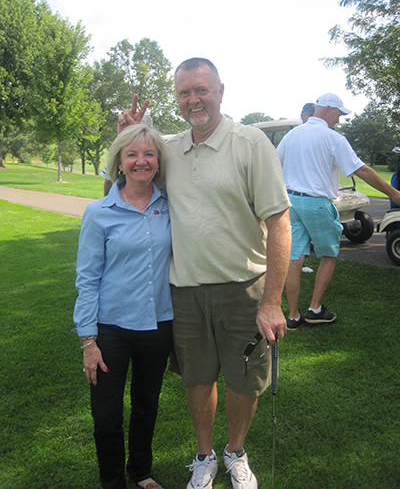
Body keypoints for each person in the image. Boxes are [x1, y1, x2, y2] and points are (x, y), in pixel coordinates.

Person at [117, 58, 292, 489]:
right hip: (186, 292)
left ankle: (235, 451)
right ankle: (204, 455)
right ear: (177, 98)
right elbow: (129, 174)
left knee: (245, 380)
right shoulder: (170, 149)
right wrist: (127, 133)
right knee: (197, 378)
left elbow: (280, 224)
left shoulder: (250, 143)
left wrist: (271, 302)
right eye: (184, 92)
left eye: (201, 90)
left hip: (244, 289)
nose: (193, 99)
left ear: (220, 91)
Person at [73, 123, 173, 489]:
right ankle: (113, 482)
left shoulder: (171, 204)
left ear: (159, 161)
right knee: (106, 417)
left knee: (146, 407)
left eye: (148, 153)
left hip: (158, 325)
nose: (140, 161)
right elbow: (87, 278)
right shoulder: (98, 213)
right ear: (118, 163)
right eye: (131, 154)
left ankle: (141, 472)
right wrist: (88, 340)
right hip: (109, 330)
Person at [277, 92, 400, 330]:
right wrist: (394, 194)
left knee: (295, 258)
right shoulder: (332, 138)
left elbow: (274, 164)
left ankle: (292, 316)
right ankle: (314, 310)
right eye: (339, 114)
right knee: (329, 254)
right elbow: (361, 171)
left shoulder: (292, 134)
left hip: (291, 202)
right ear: (327, 109)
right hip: (317, 202)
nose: (339, 120)